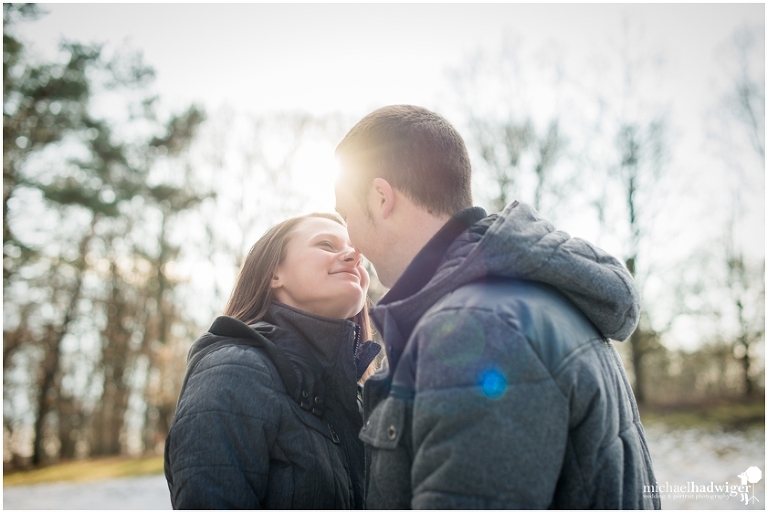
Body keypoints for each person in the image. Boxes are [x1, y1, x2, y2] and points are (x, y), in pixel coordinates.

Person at [333, 105, 660, 509]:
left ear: (381, 197)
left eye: (345, 215)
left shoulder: (475, 329)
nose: (350, 243)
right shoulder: (523, 297)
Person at [164, 212, 380, 509]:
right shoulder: (234, 371)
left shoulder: (363, 399)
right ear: (273, 274)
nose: (355, 256)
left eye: (357, 251)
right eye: (327, 245)